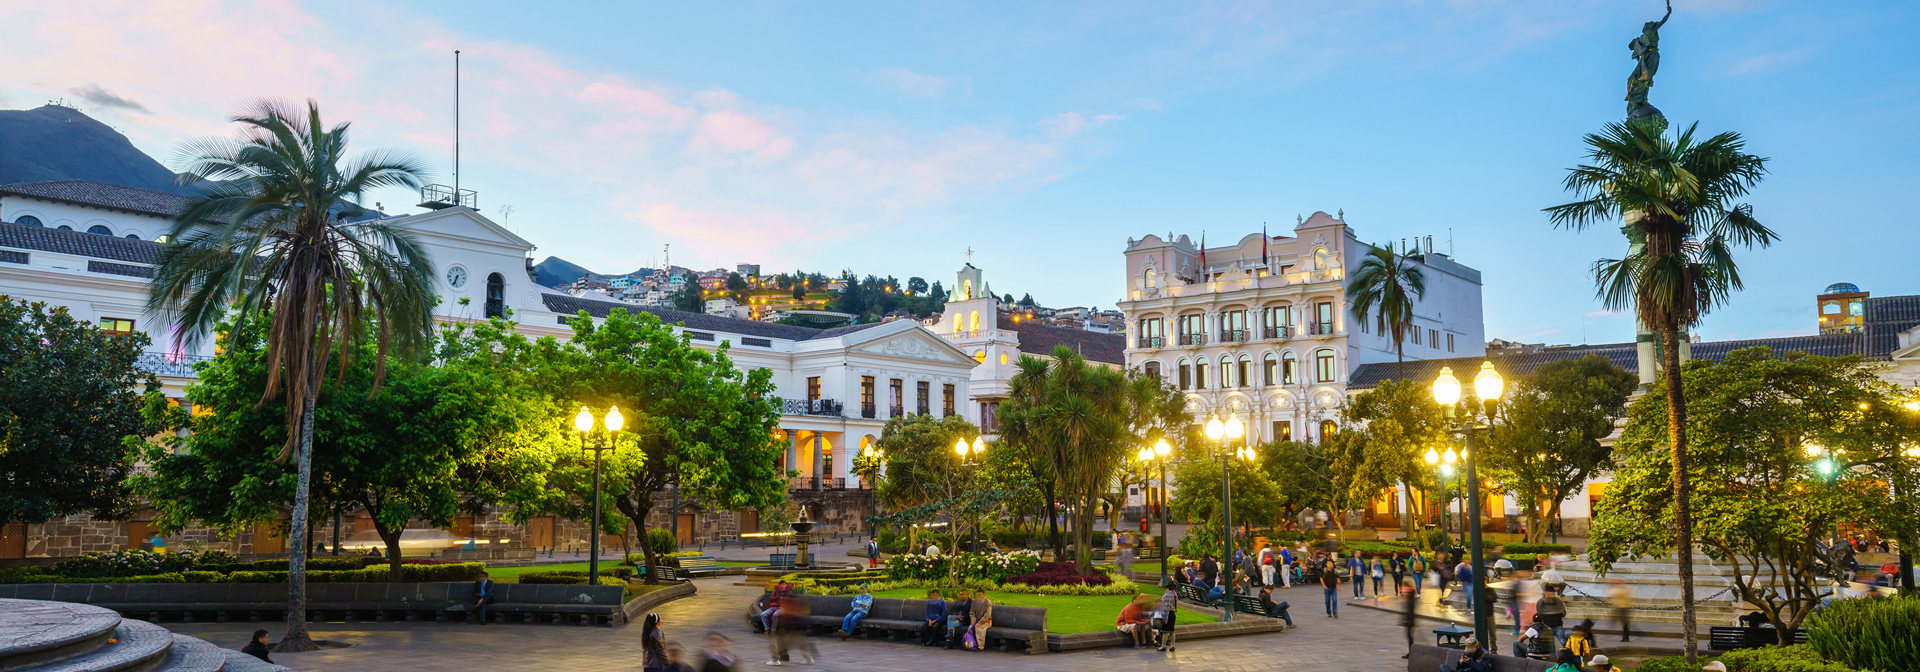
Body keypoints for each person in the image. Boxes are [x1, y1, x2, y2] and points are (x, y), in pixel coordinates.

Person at [1152, 584, 1179, 651]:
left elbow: (1166, 607)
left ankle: (1163, 646)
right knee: (1172, 631)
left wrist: (1164, 617)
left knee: (1165, 631)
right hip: (1172, 613)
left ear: (1168, 588)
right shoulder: (1174, 594)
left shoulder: (1167, 595)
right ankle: (1173, 646)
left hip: (1168, 614)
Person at [1606, 577, 1634, 642]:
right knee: (1622, 621)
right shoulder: (1620, 588)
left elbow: (1613, 595)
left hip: (1623, 607)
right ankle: (1625, 636)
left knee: (1624, 622)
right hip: (1619, 606)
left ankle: (1625, 637)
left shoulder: (1622, 588)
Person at [1398, 579, 1417, 659]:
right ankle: (1411, 651)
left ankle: (1411, 652)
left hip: (1410, 619)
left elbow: (1410, 608)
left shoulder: (1410, 594)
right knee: (1409, 636)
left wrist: (1408, 619)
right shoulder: (1409, 594)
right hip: (1409, 619)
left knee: (1410, 636)